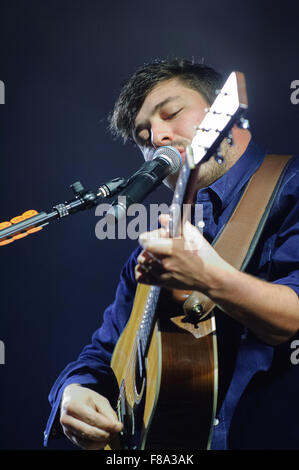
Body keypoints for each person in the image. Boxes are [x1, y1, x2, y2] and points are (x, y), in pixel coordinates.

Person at [44, 58, 299, 450]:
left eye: (172, 113)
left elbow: (292, 318)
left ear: (223, 112)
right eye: (144, 136)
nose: (157, 136)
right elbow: (104, 351)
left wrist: (208, 276)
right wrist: (73, 390)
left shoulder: (291, 188)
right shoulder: (151, 255)